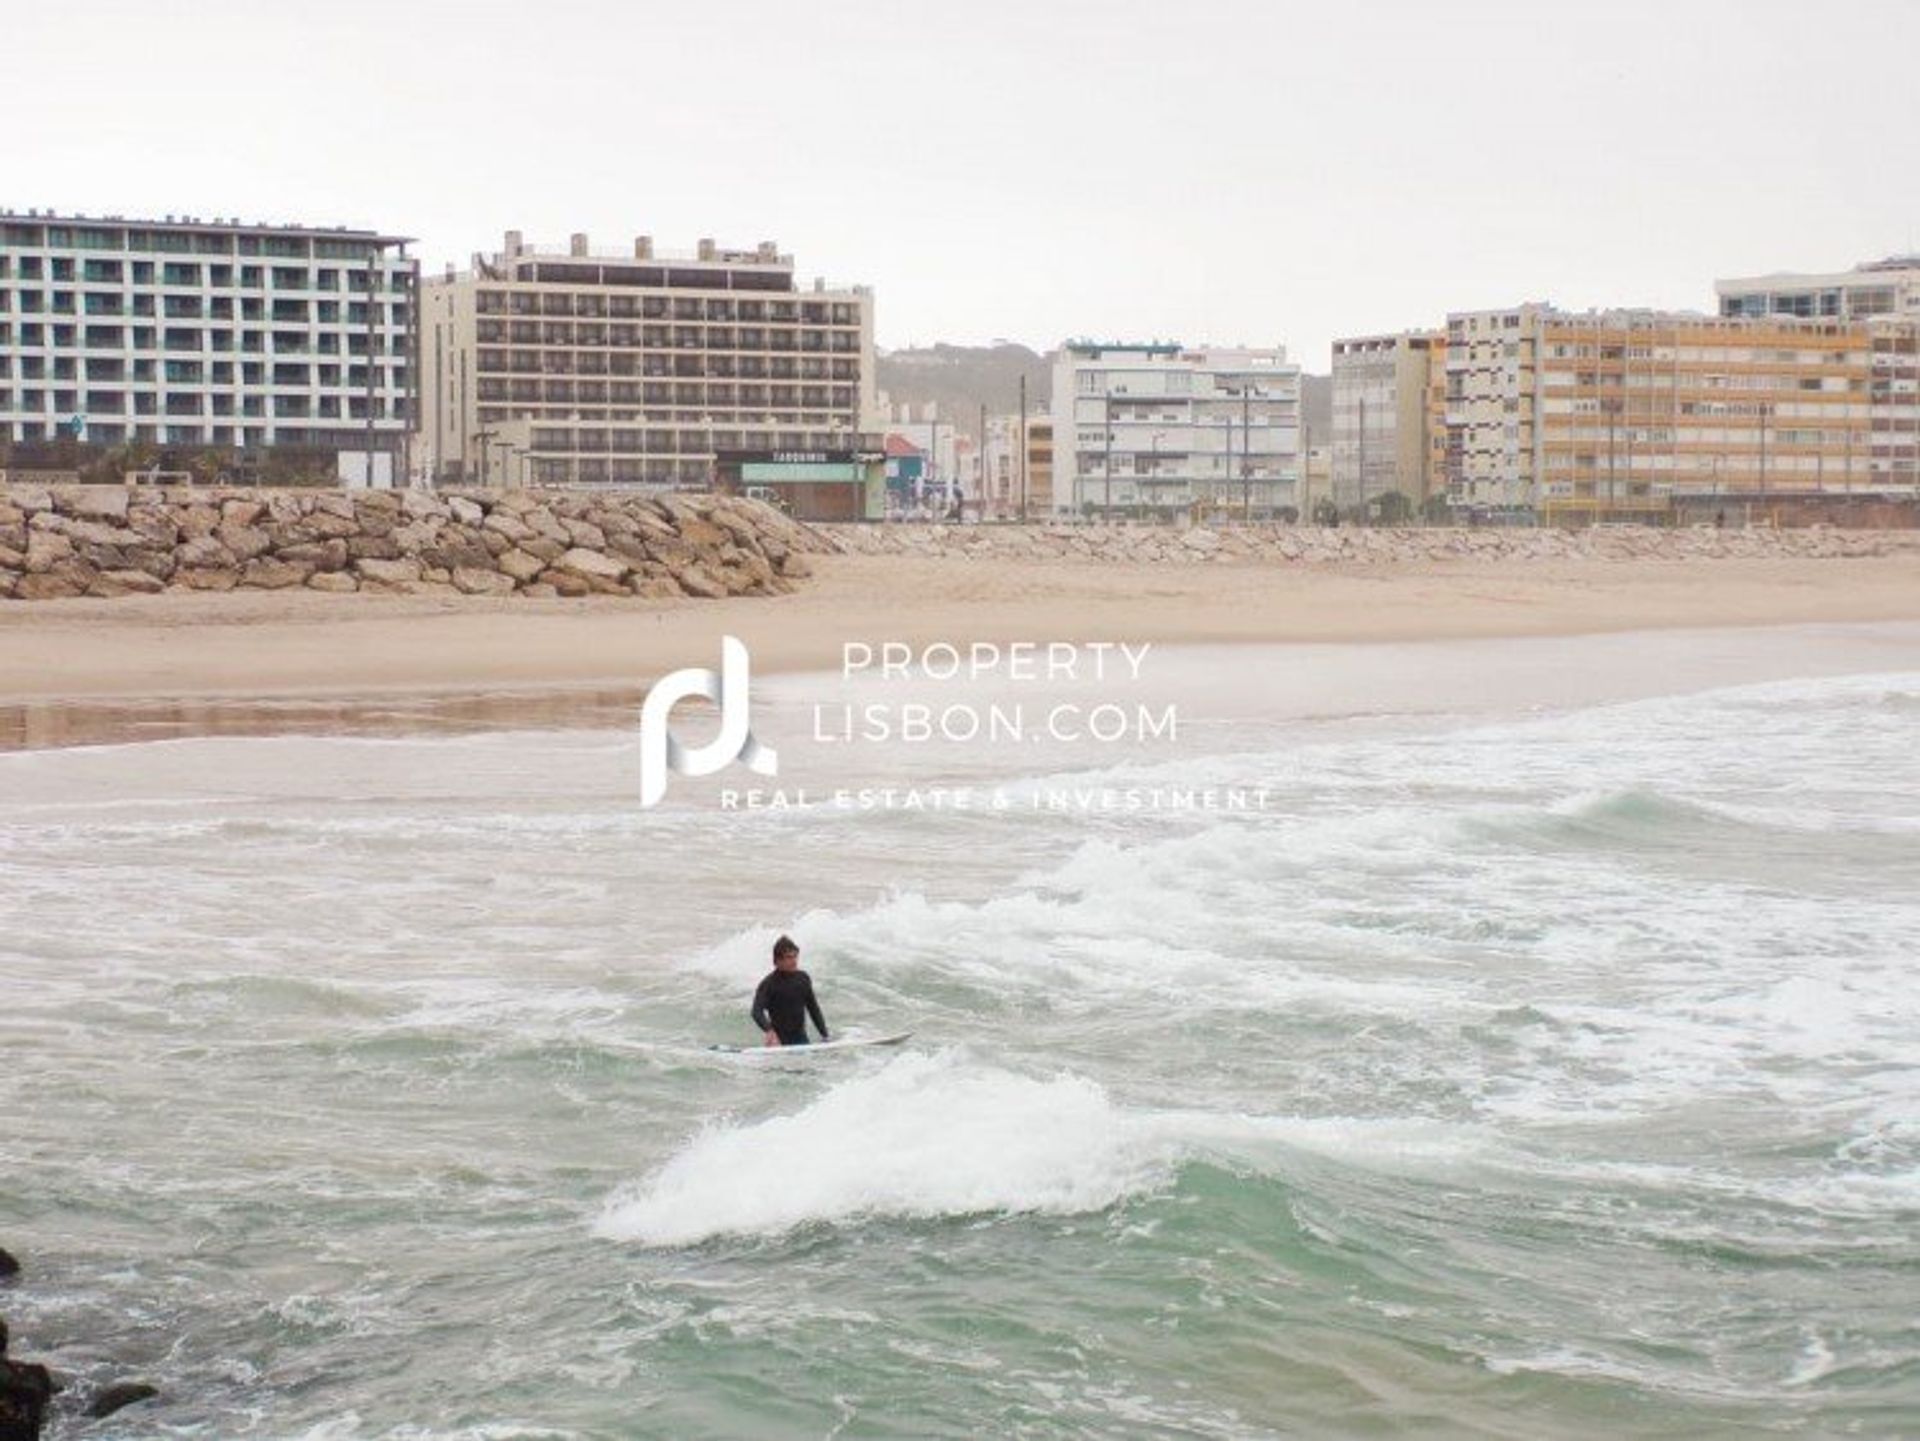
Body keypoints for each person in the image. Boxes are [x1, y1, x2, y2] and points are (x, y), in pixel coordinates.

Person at [750, 935, 829, 1047]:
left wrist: (825, 1035)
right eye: (789, 957)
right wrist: (769, 1031)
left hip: (801, 1039)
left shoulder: (803, 979)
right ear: (777, 961)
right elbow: (756, 1012)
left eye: (795, 956)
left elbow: (813, 1009)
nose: (794, 961)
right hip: (779, 1042)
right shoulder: (768, 984)